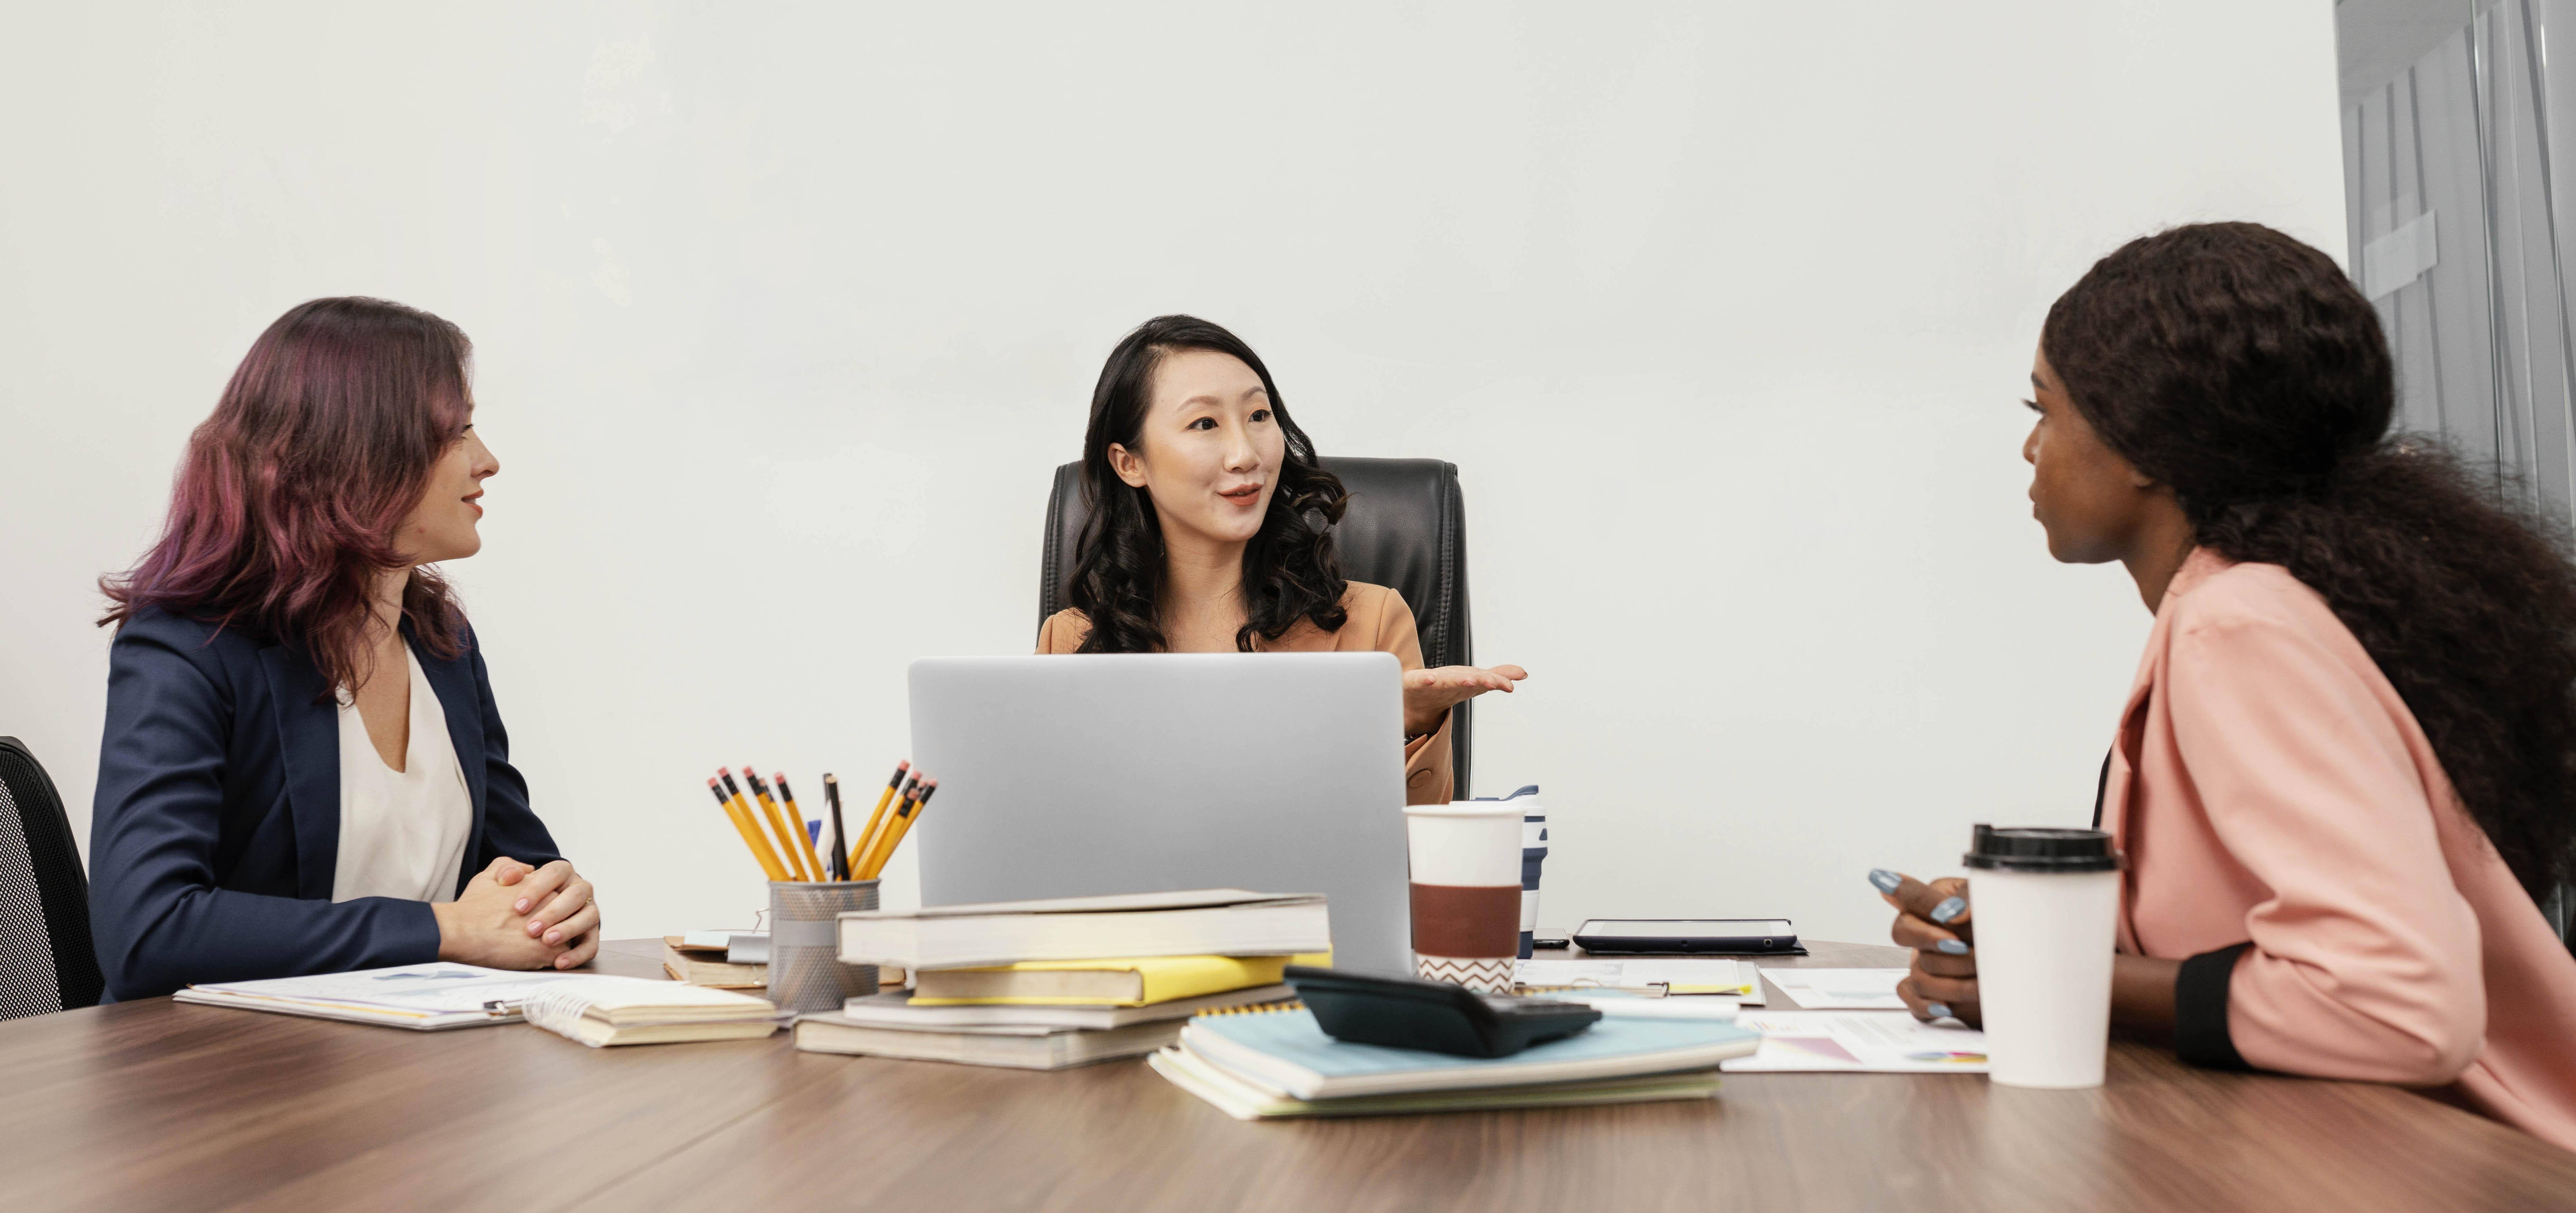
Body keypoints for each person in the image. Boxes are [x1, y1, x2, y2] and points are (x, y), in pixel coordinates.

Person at [1873, 222, 2576, 1149]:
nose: (2030, 450)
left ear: (2143, 447)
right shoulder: (2255, 608)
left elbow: (2399, 1003)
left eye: (2042, 408)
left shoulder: (2239, 623)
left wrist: (2056, 971)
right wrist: (2007, 949)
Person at [89, 297, 600, 1000]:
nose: (488, 462)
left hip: (415, 1072)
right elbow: (148, 932)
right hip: (228, 1081)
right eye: (458, 432)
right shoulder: (189, 648)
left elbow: (518, 869)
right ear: (359, 452)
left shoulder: (440, 640)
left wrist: (556, 906)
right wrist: (443, 930)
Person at [1037, 315, 1525, 805]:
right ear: (1130, 463)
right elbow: (1048, 834)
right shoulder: (1068, 643)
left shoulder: (1373, 625)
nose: (1245, 454)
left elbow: (1416, 856)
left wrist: (1410, 723)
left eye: (1259, 416)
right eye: (1205, 423)